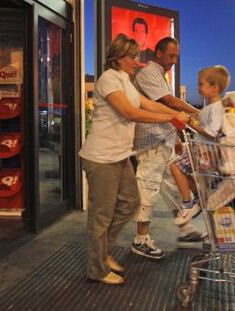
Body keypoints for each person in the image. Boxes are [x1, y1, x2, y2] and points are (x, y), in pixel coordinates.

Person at [79, 34, 189, 285]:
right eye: (133, 56)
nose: (137, 61)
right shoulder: (108, 79)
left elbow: (148, 104)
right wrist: (172, 119)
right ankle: (96, 267)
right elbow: (130, 112)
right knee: (101, 214)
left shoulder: (125, 81)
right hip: (101, 157)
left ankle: (103, 251)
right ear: (119, 57)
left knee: (130, 202)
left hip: (119, 156)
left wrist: (177, 113)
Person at [131, 37, 205, 260]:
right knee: (148, 186)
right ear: (158, 53)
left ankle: (184, 227)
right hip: (149, 140)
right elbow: (169, 102)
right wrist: (200, 115)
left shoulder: (159, 75)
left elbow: (164, 107)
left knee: (171, 186)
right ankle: (141, 239)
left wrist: (175, 136)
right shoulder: (147, 74)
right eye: (171, 55)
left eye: (176, 56)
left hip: (162, 137)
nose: (174, 60)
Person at [171, 66, 231, 225]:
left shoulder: (216, 108)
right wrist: (193, 119)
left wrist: (191, 122)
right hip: (201, 150)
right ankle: (198, 199)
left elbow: (211, 132)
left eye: (200, 84)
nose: (198, 87)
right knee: (186, 174)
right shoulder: (209, 107)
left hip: (206, 152)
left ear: (214, 88)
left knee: (176, 167)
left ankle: (188, 204)